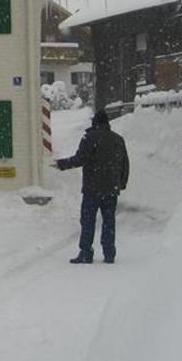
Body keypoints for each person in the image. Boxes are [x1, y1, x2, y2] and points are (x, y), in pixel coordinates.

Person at [53, 109, 130, 264]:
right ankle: (109, 253)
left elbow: (80, 159)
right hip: (111, 189)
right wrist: (121, 183)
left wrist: (61, 164)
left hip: (92, 188)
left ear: (95, 122)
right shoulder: (118, 139)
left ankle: (86, 252)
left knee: (88, 221)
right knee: (109, 221)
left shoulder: (90, 138)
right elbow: (125, 164)